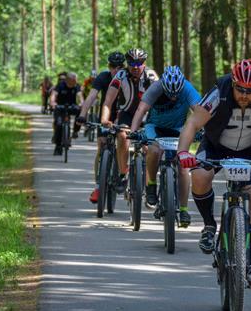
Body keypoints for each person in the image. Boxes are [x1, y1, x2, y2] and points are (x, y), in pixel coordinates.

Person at [176, 59, 251, 288]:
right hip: (215, 146)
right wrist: (183, 152)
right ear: (233, 83)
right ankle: (209, 225)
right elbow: (193, 123)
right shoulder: (220, 91)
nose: (244, 95)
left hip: (249, 150)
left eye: (250, 91)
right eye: (240, 89)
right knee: (200, 176)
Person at [130, 66, 201, 227]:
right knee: (154, 150)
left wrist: (203, 130)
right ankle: (151, 185)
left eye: (176, 94)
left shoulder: (187, 88)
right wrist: (133, 132)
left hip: (178, 128)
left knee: (183, 166)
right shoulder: (156, 87)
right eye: (170, 94)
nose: (173, 97)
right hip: (155, 126)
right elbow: (141, 110)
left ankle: (183, 209)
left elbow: (199, 111)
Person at [100, 48, 159, 193]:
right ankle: (123, 174)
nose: (135, 67)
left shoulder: (151, 76)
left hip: (147, 115)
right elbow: (108, 101)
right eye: (132, 63)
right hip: (127, 114)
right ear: (127, 63)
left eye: (139, 63)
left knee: (149, 147)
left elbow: (161, 99)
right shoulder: (120, 75)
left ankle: (149, 185)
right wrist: (104, 119)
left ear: (144, 63)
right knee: (122, 135)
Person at [75, 52, 127, 203]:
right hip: (106, 114)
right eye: (112, 66)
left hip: (123, 114)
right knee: (102, 145)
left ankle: (121, 174)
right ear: (108, 66)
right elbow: (92, 96)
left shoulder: (127, 78)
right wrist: (83, 114)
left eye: (119, 66)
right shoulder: (103, 77)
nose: (115, 70)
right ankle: (98, 186)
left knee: (122, 140)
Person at [49, 72, 84, 155]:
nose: (76, 81)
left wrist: (82, 103)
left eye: (76, 80)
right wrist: (52, 102)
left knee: (80, 112)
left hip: (72, 106)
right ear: (68, 80)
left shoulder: (77, 86)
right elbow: (54, 94)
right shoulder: (60, 85)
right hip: (60, 107)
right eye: (74, 80)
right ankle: (58, 146)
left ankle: (75, 130)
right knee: (59, 124)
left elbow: (80, 96)